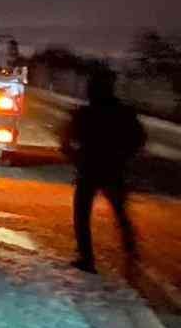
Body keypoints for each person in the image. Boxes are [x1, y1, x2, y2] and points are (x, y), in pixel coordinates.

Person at [60, 69, 146, 272]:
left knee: (82, 216)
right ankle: (131, 251)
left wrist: (76, 158)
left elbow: (65, 142)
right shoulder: (124, 113)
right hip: (114, 170)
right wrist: (124, 157)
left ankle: (87, 258)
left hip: (88, 170)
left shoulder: (84, 114)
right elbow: (139, 139)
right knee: (120, 213)